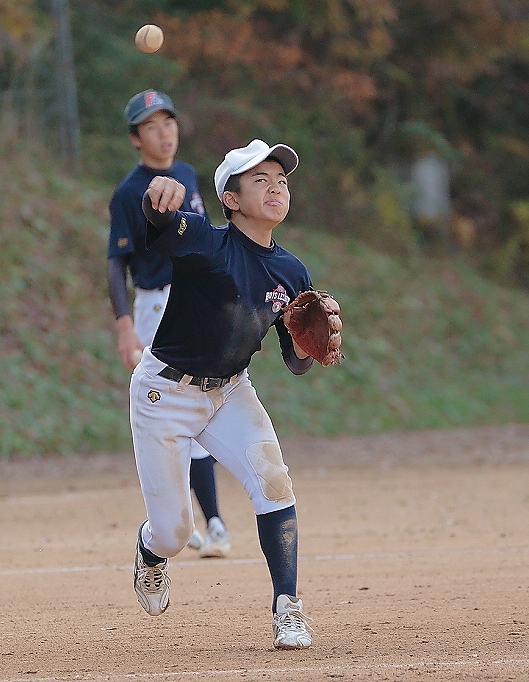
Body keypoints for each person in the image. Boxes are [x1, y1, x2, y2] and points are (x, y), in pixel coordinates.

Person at [130, 139, 320, 650]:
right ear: (231, 200)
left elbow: (295, 361)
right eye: (260, 180)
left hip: (230, 392)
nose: (276, 186)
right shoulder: (206, 243)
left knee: (274, 485)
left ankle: (288, 610)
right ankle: (150, 554)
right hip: (164, 393)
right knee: (173, 532)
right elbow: (160, 221)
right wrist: (159, 194)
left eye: (281, 179)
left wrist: (313, 345)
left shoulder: (292, 271)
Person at [107, 90, 230, 558]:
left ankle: (212, 521)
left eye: (169, 122)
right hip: (156, 308)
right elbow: (116, 262)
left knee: (205, 403)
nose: (165, 132)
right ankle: (195, 522)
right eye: (152, 126)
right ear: (136, 139)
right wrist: (124, 325)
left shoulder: (186, 175)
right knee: (172, 414)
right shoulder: (128, 192)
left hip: (197, 303)